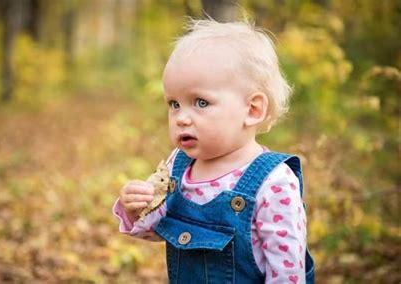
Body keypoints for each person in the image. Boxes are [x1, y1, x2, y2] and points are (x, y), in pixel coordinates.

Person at [113, 18, 315, 283]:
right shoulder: (179, 166)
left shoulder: (274, 183)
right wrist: (134, 210)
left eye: (200, 102)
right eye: (174, 104)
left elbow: (287, 272)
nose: (182, 118)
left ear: (252, 110)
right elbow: (158, 228)